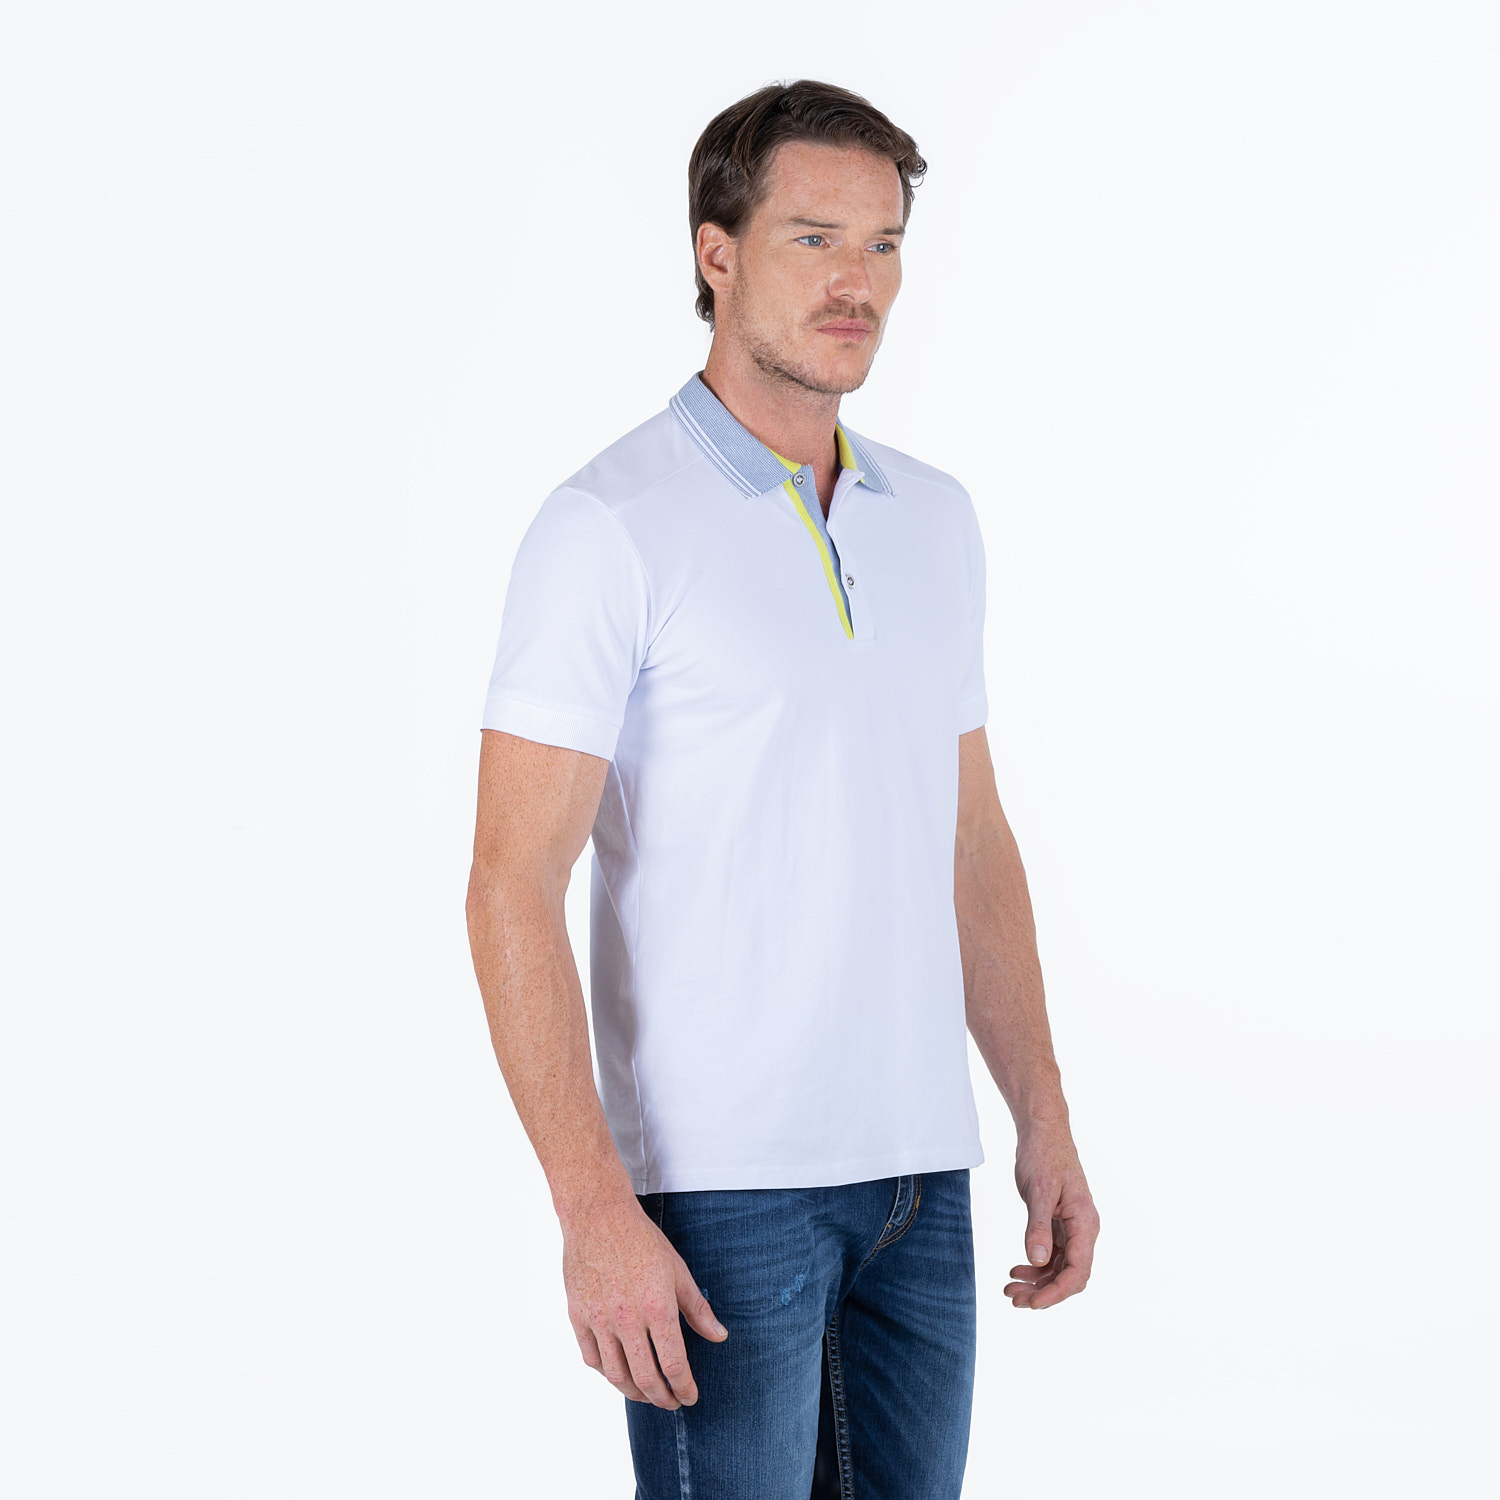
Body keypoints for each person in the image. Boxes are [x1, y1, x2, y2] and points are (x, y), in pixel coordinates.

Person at [465, 78, 1099, 1499]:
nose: (855, 282)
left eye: (882, 245)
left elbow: (970, 843)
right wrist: (593, 1209)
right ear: (717, 254)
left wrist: (1041, 1114)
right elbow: (509, 884)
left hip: (921, 1179)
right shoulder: (608, 527)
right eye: (814, 239)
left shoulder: (935, 520)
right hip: (719, 1193)